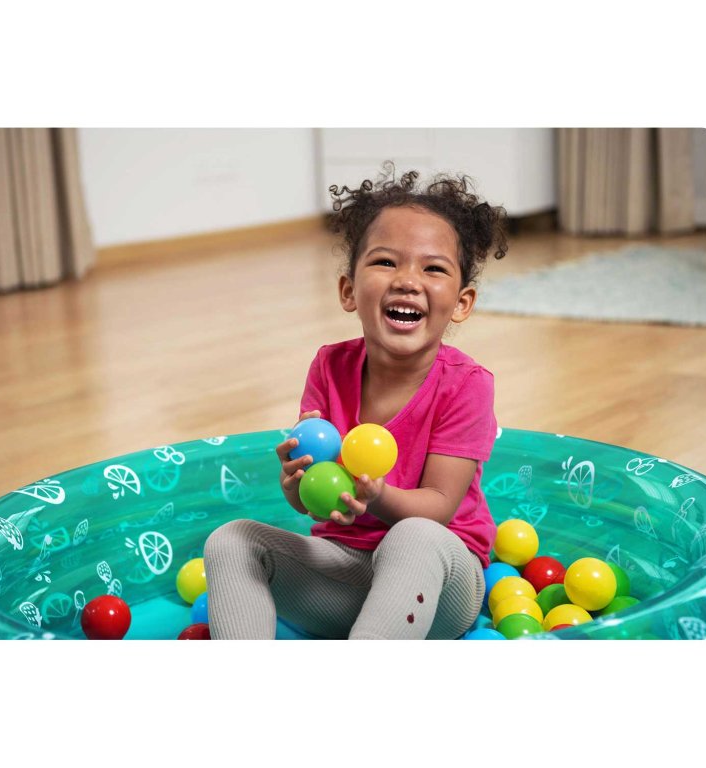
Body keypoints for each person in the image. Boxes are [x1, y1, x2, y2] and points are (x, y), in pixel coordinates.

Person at [203, 164, 507, 639]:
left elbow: (439, 508)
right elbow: (317, 501)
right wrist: (296, 484)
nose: (408, 280)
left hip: (439, 585)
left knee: (413, 535)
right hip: (345, 578)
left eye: (433, 268)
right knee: (232, 540)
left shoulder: (467, 384)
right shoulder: (329, 366)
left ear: (462, 302)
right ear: (348, 290)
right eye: (386, 262)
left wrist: (377, 496)